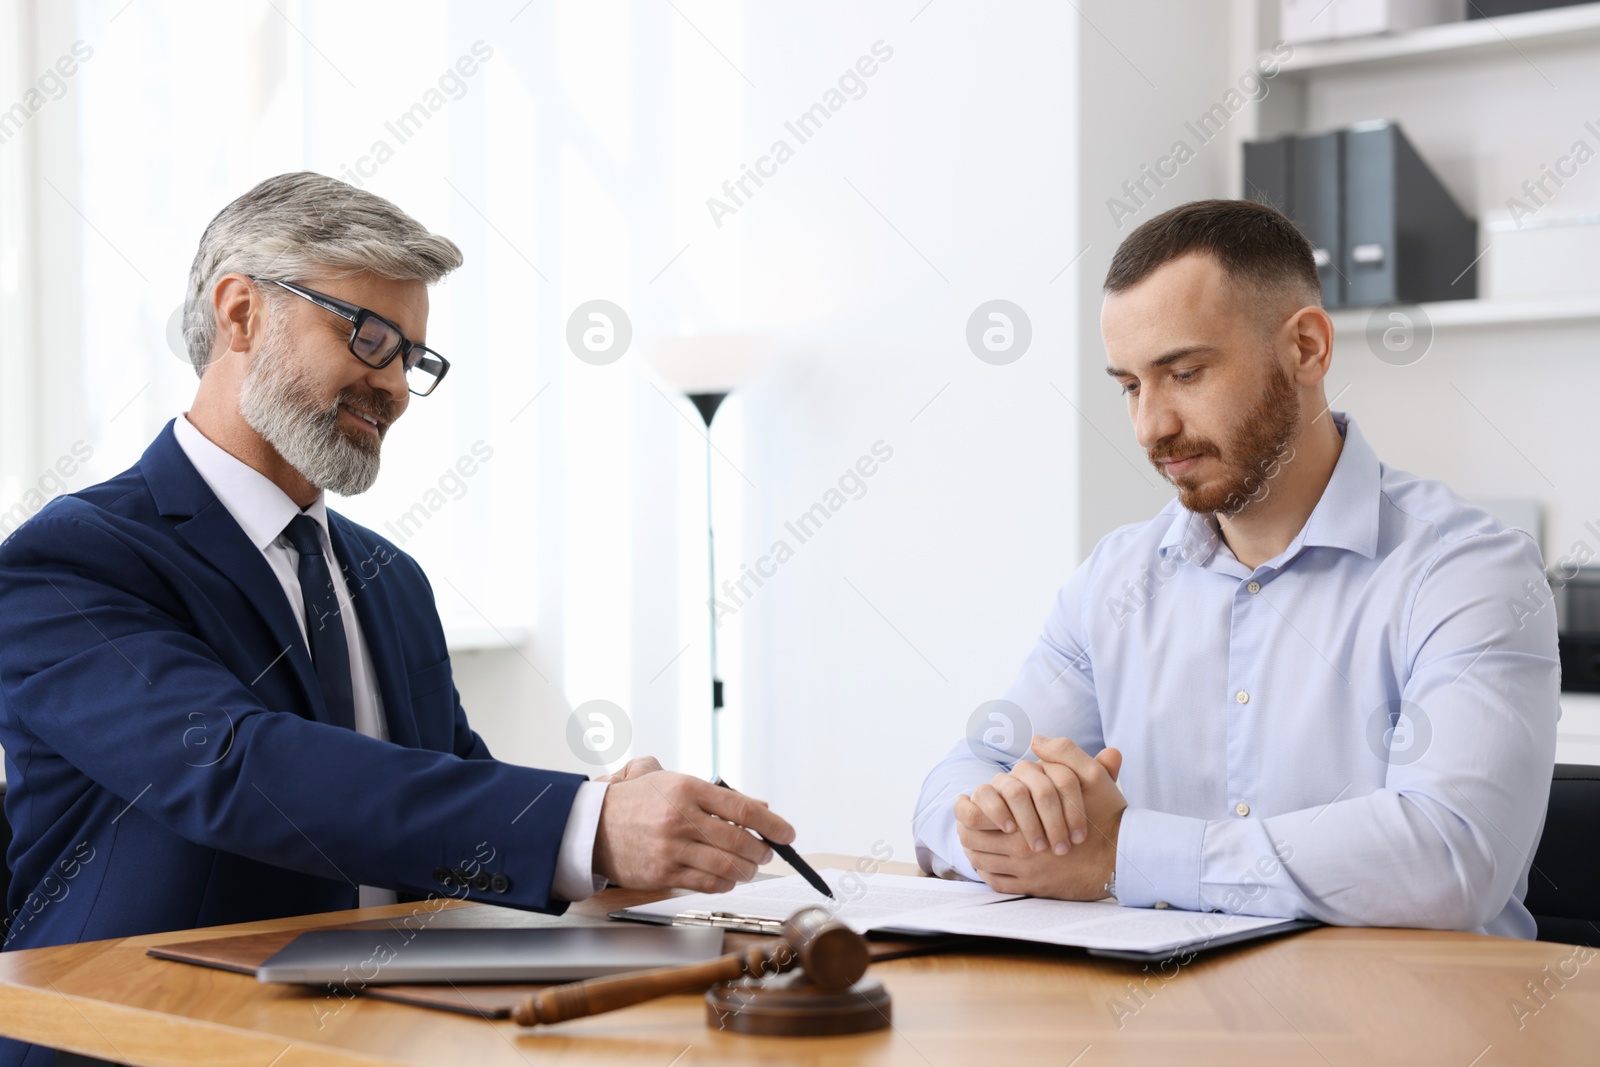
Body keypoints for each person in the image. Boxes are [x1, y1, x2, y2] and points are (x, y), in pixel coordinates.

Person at [0, 173, 790, 984]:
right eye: (369, 337)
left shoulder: (389, 578)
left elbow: (443, 792)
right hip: (139, 1031)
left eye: (412, 359)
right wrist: (581, 825)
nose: (393, 387)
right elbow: (234, 764)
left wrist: (605, 823)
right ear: (240, 312)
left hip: (382, 1023)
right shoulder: (68, 561)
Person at [913, 198, 1558, 937]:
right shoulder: (1115, 581)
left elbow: (1451, 858)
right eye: (1129, 385)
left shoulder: (1468, 571)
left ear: (1308, 348)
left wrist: (1122, 854)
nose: (1151, 425)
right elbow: (959, 780)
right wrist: (996, 825)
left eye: (1184, 372)